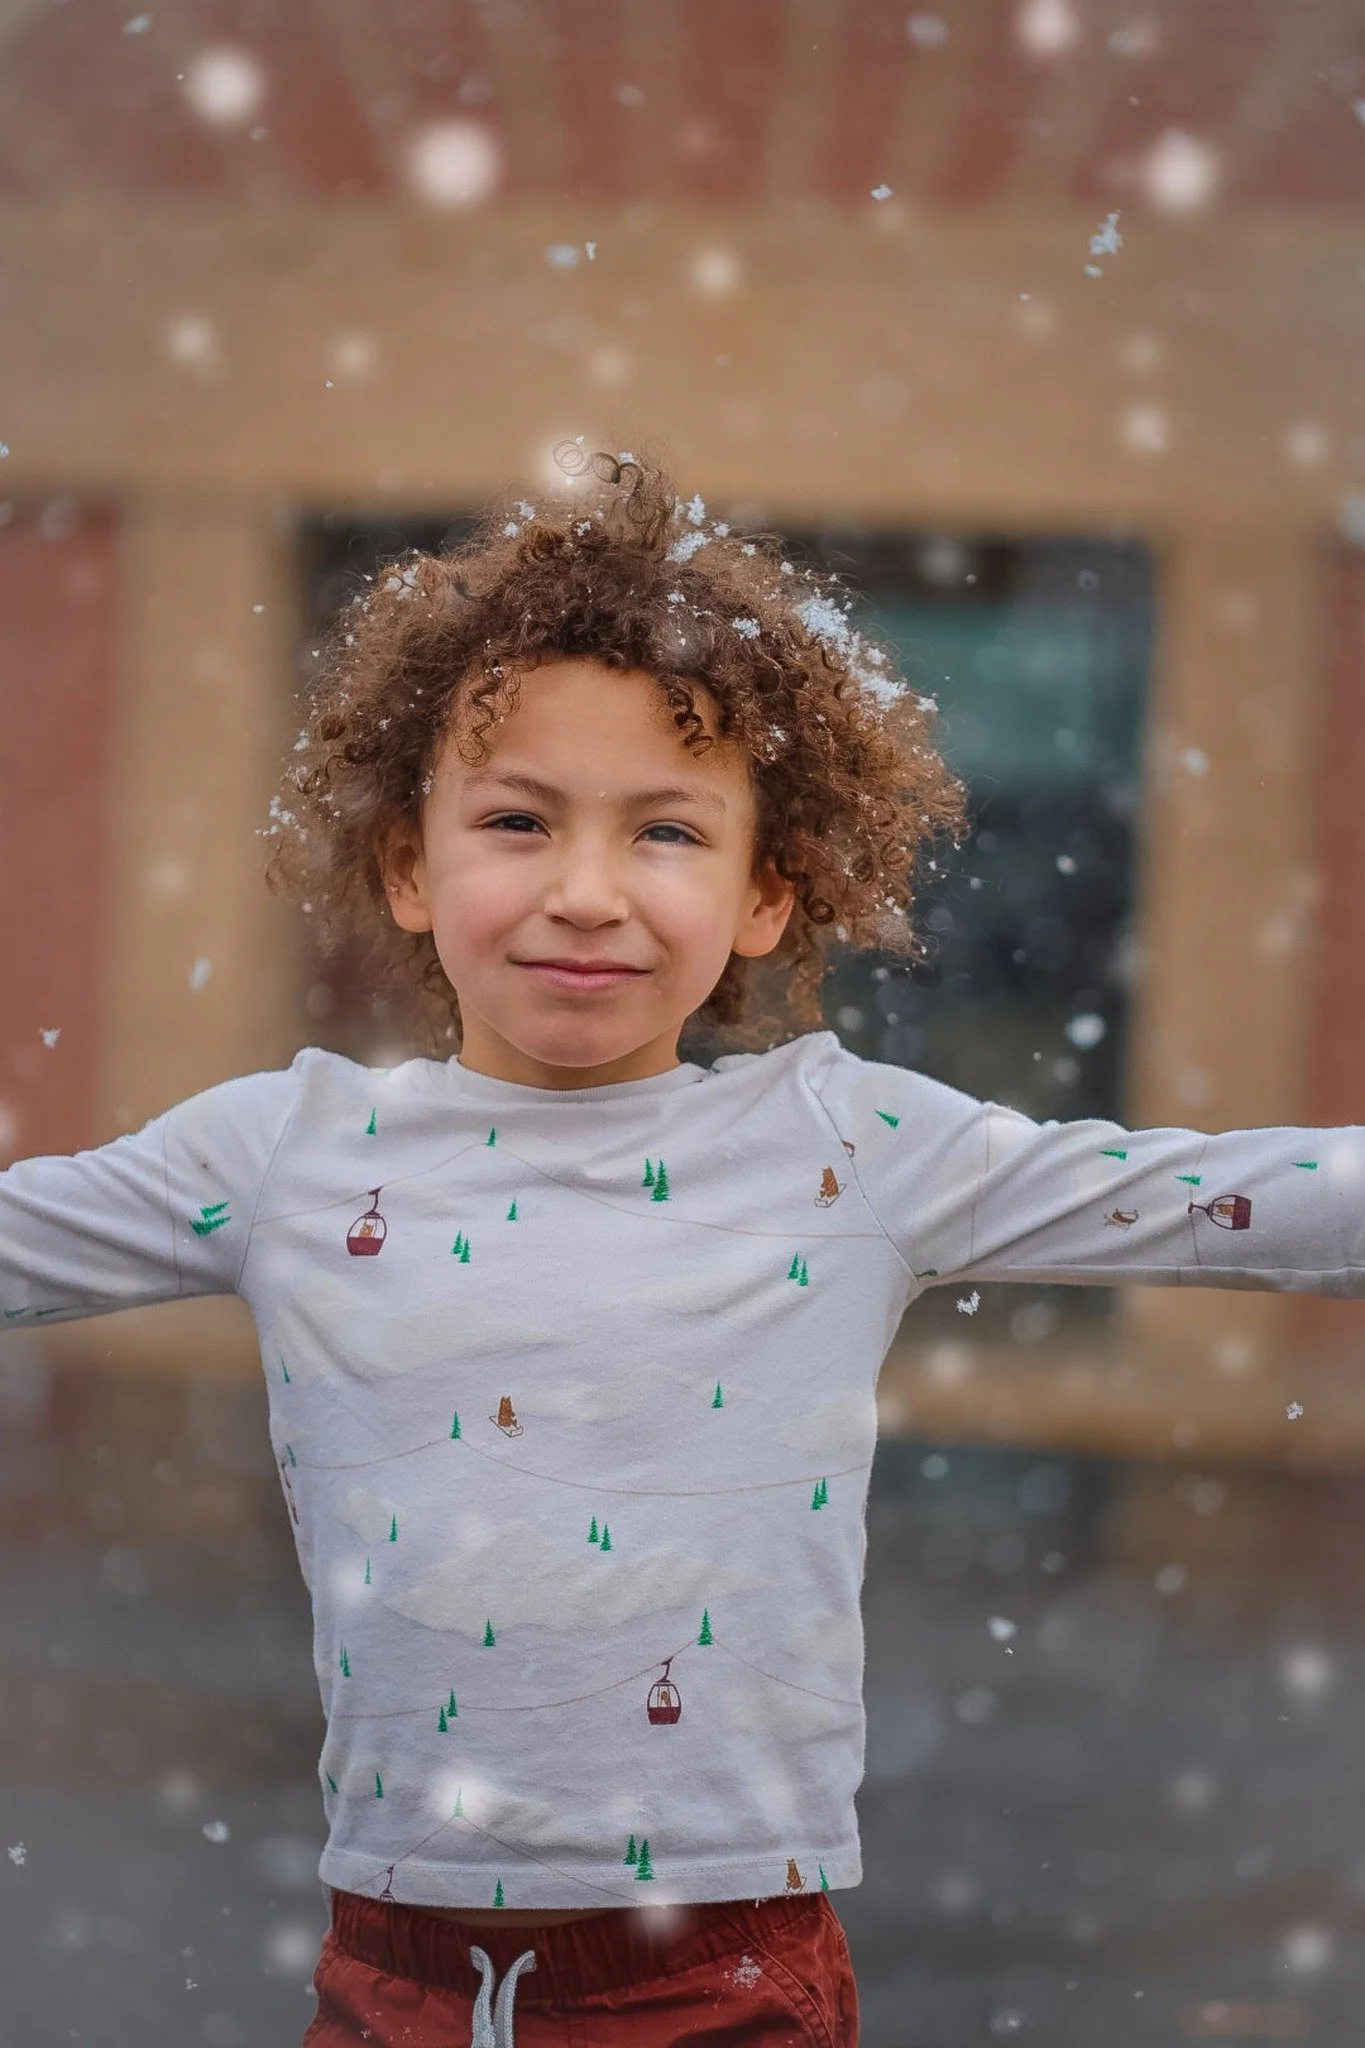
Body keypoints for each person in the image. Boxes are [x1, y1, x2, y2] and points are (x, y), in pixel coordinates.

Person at [3, 445, 1362, 2048]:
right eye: (517, 820)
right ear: (408, 865)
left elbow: (1218, 1196)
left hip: (726, 1971)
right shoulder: (289, 1152)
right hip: (396, 1972)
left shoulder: (847, 1145)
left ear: (768, 890)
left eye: (665, 833)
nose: (587, 893)